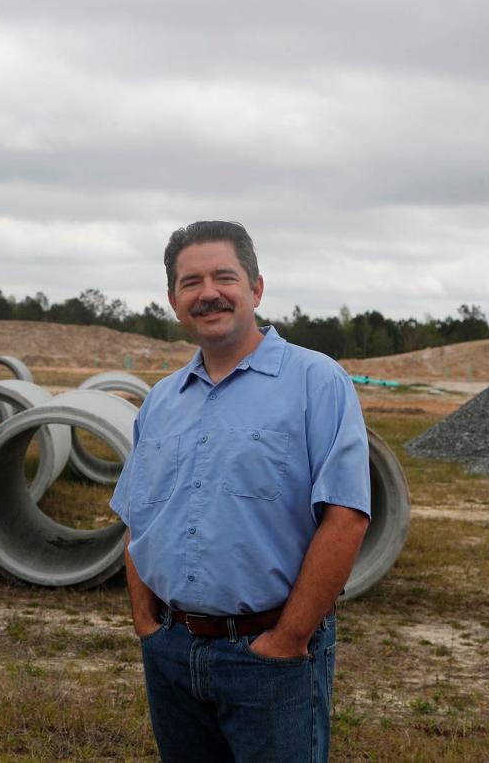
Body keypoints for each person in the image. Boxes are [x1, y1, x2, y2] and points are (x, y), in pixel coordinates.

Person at [109, 220, 371, 762]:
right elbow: (138, 514)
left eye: (223, 277)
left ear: (255, 288)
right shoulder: (161, 401)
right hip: (173, 652)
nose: (208, 293)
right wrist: (146, 622)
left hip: (270, 654)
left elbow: (346, 516)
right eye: (191, 282)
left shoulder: (316, 382)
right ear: (173, 300)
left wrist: (288, 639)